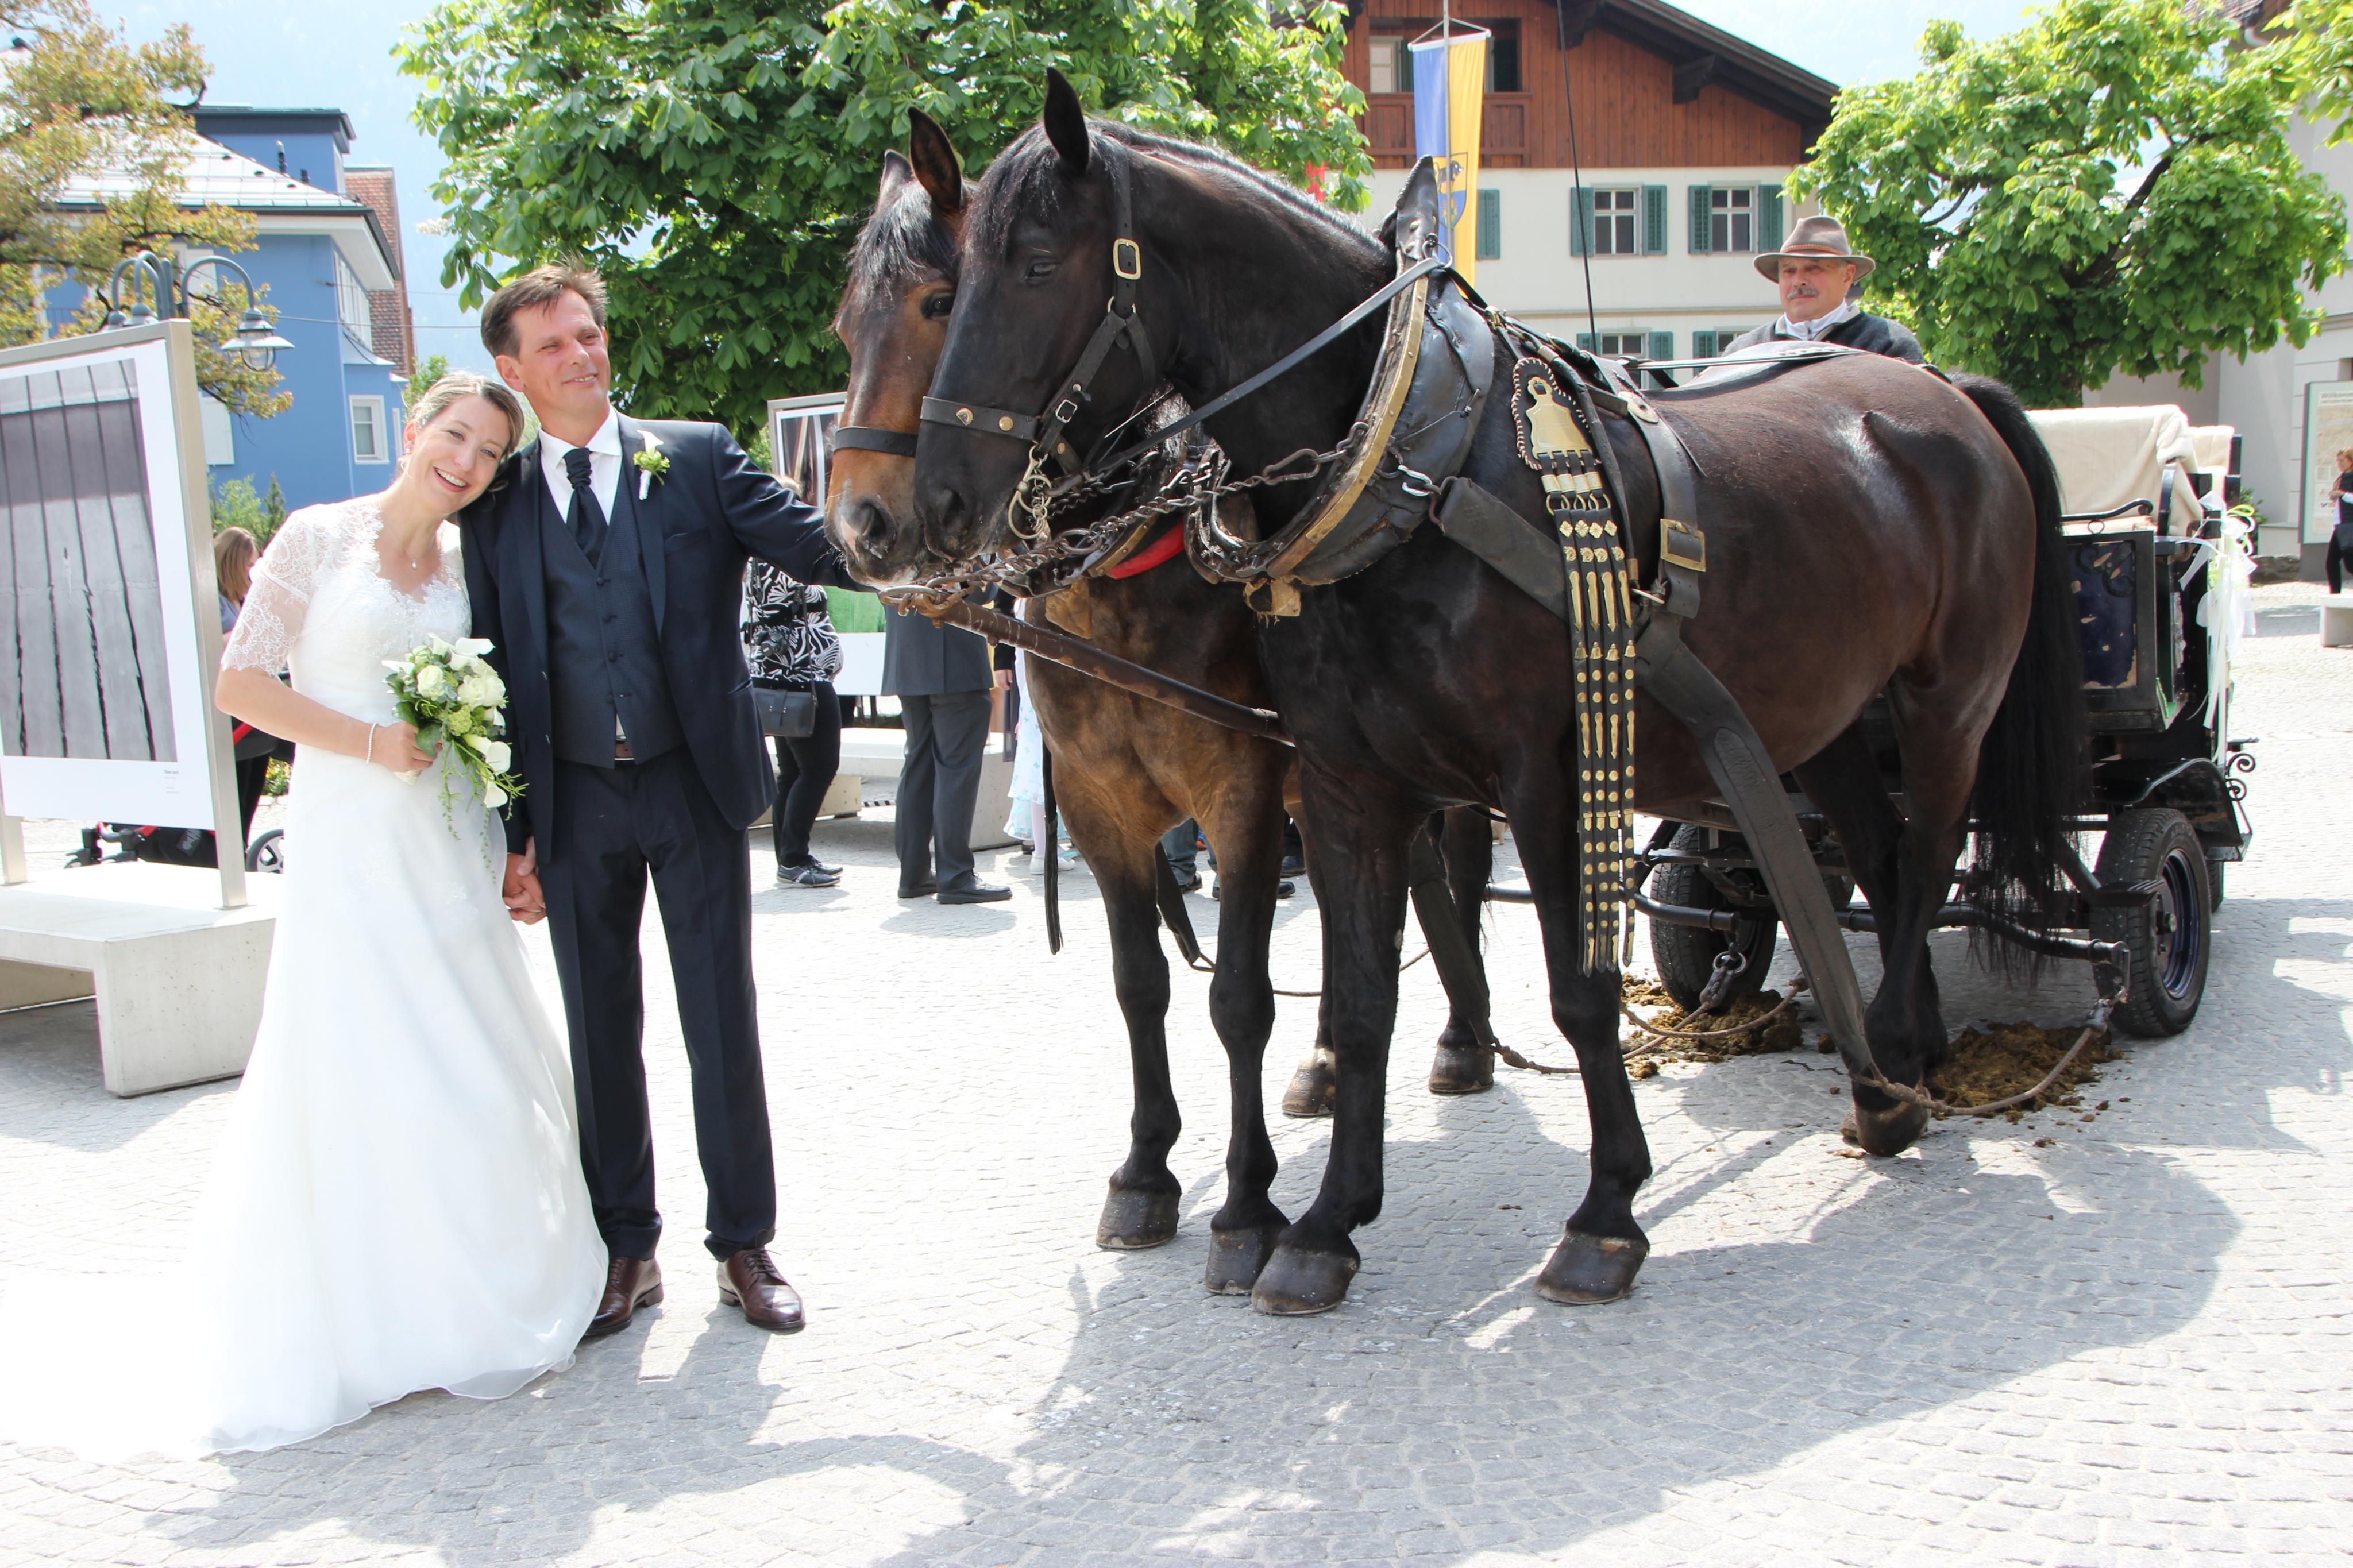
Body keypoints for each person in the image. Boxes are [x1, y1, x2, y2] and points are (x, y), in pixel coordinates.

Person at [0, 373, 605, 1458]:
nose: (465, 463)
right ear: (414, 430)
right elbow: (240, 683)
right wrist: (371, 741)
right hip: (351, 827)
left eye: (486, 453)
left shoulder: (468, 561)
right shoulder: (319, 536)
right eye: (454, 435)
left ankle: (474, 1280)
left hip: (449, 830)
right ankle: (363, 1308)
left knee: (466, 1039)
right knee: (360, 1041)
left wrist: (513, 834)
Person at [466, 263, 850, 1339]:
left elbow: (821, 544)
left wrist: (935, 535)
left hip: (693, 781)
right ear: (512, 371)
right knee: (600, 1031)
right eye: (553, 345)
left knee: (721, 1019)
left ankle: (744, 1244)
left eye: (588, 334)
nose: (581, 355)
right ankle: (626, 1248)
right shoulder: (494, 504)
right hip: (573, 799)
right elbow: (490, 671)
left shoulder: (694, 456)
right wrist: (514, 834)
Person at [882, 600, 1010, 903]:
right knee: (955, 771)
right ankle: (955, 876)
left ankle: (913, 874)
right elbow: (983, 585)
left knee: (918, 765)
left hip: (907, 655)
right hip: (955, 656)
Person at [745, 560, 845, 886]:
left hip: (778, 676)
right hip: (801, 677)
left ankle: (790, 857)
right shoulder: (785, 562)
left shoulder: (760, 561)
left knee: (792, 772)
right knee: (818, 770)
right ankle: (793, 858)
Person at [1721, 216, 1924, 364]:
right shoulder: (1744, 351)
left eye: (1814, 268)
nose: (1799, 281)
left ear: (1847, 276)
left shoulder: (1889, 343)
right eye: (1789, 271)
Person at [213, 526, 273, 843]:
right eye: (249, 565)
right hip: (228, 712)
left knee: (253, 779)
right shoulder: (216, 603)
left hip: (250, 711)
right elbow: (212, 646)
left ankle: (241, 844)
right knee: (237, 788)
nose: (253, 572)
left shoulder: (240, 601)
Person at [2328, 450, 2353, 594]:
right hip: (2340, 525)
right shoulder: (2341, 478)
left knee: (2350, 564)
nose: (2339, 464)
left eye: (2342, 461)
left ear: (2351, 461)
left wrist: (2343, 495)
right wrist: (2334, 496)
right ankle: (2335, 595)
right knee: (2331, 561)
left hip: (2350, 525)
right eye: (2338, 461)